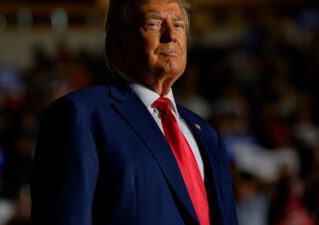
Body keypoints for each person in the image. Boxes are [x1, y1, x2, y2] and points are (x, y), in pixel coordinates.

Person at [30, 0, 238, 224]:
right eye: (154, 24)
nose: (171, 36)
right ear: (117, 43)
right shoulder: (80, 116)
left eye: (178, 26)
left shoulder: (208, 134)